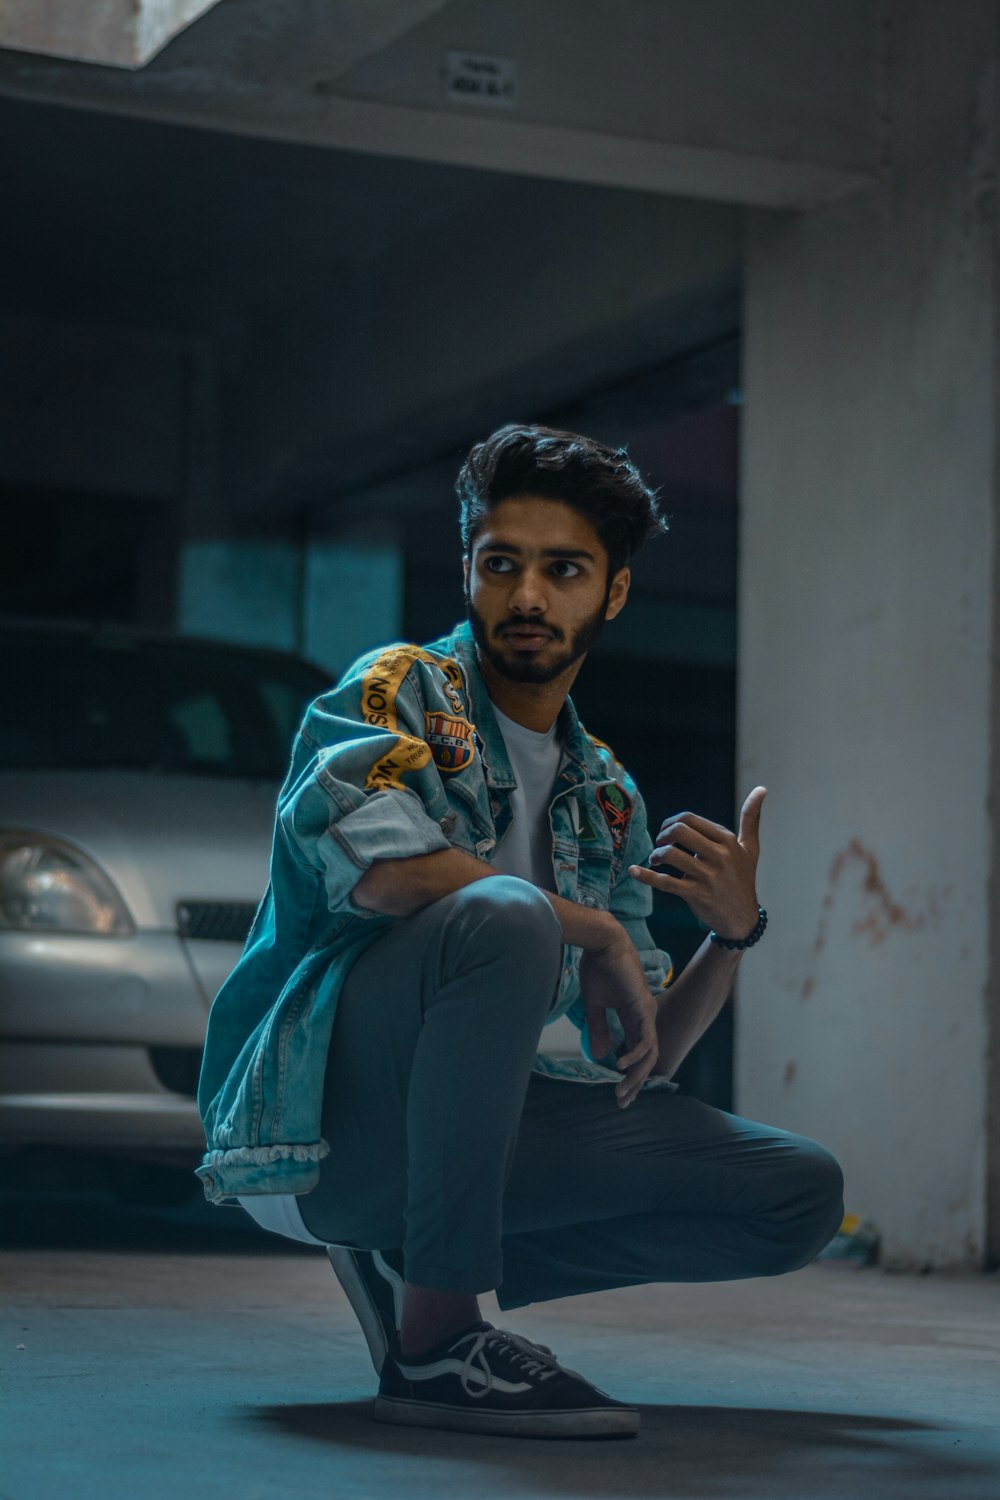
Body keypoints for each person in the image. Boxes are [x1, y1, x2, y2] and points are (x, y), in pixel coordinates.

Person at [197, 423, 844, 1440]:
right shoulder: (396, 690)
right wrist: (593, 930)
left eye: (563, 570)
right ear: (468, 570)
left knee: (796, 1195)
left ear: (613, 592)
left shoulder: (605, 794)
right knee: (501, 913)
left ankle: (424, 1258)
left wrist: (729, 937)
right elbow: (386, 871)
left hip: (461, 1149)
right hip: (330, 1126)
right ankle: (437, 1340)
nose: (528, 598)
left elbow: (636, 1062)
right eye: (501, 565)